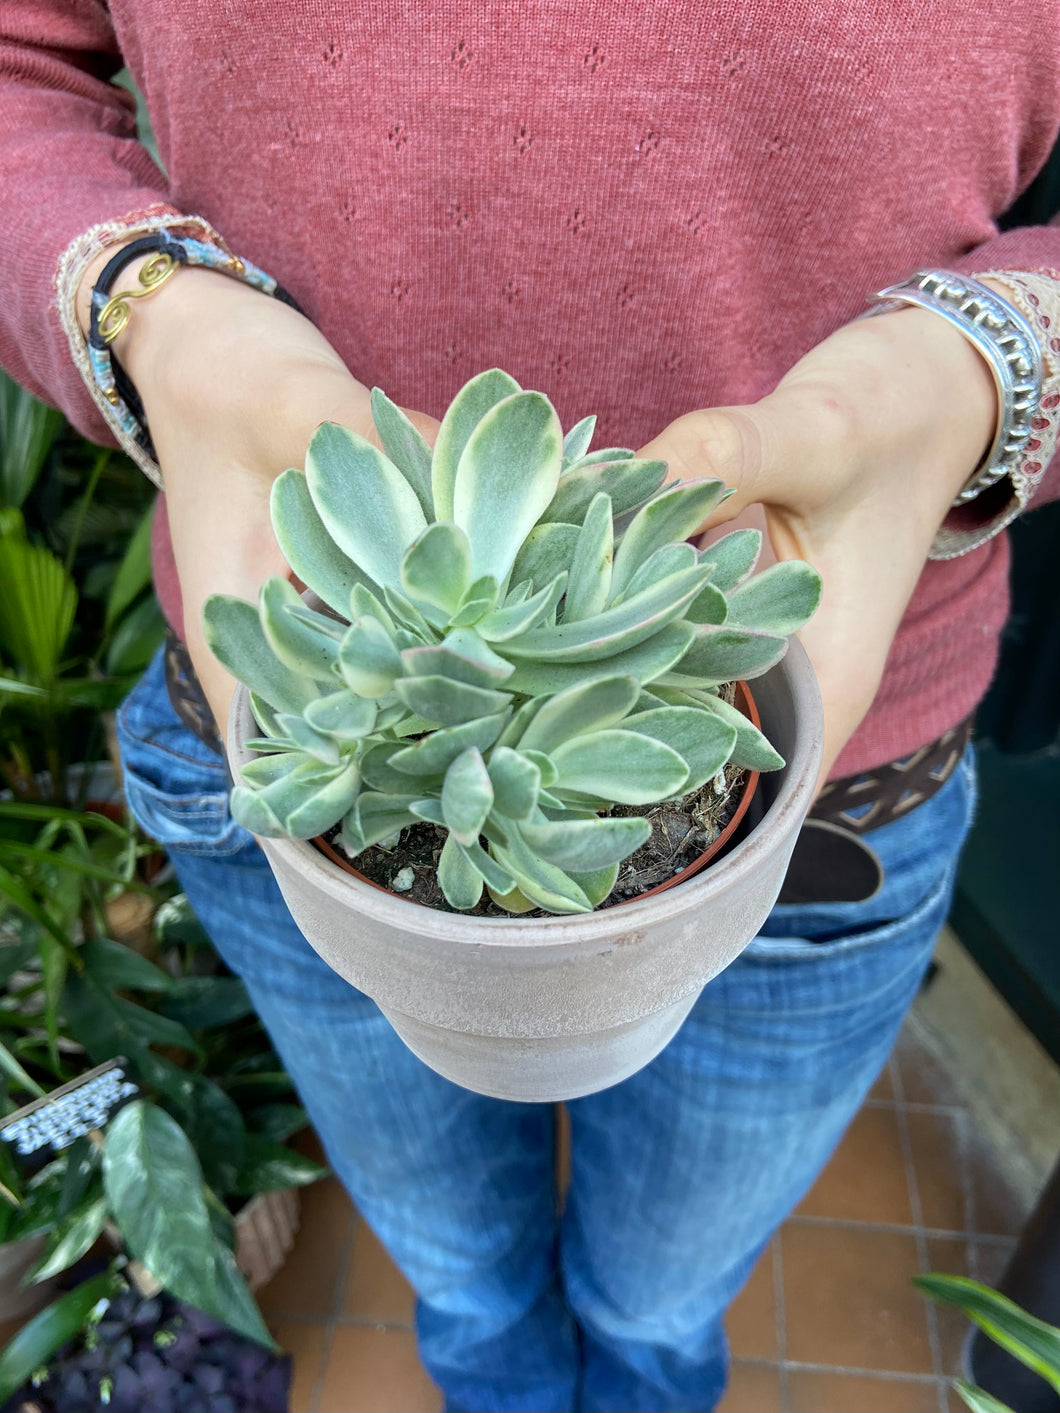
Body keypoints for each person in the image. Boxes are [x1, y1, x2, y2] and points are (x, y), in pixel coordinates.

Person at [2, 6, 1058, 1409]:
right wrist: (152, 310)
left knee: (662, 1304)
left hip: (826, 789)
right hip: (303, 745)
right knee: (458, 1274)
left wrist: (991, 360)